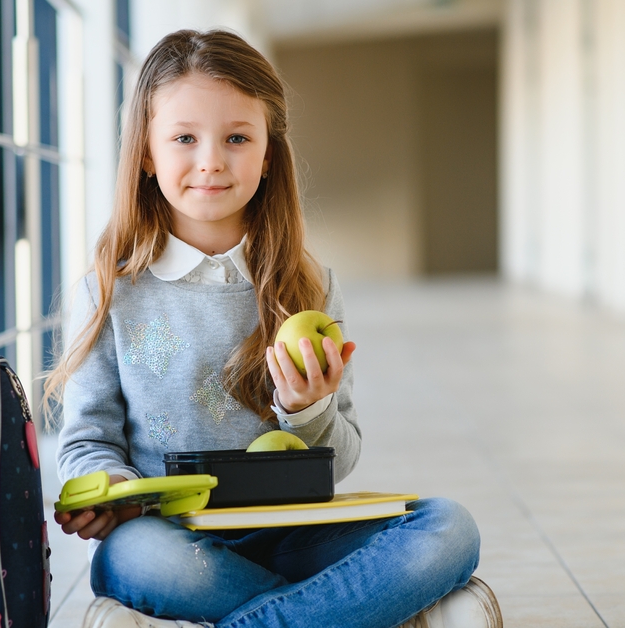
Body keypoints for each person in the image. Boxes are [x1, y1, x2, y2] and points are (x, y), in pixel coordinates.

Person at [46, 29, 500, 628]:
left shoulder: (309, 286)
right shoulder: (108, 292)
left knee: (449, 527)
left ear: (267, 156)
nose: (211, 159)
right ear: (148, 153)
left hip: (299, 536)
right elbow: (86, 443)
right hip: (173, 543)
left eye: (237, 138)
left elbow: (340, 462)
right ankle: (370, 614)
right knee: (134, 559)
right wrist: (111, 488)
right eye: (184, 138)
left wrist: (306, 408)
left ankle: (264, 617)